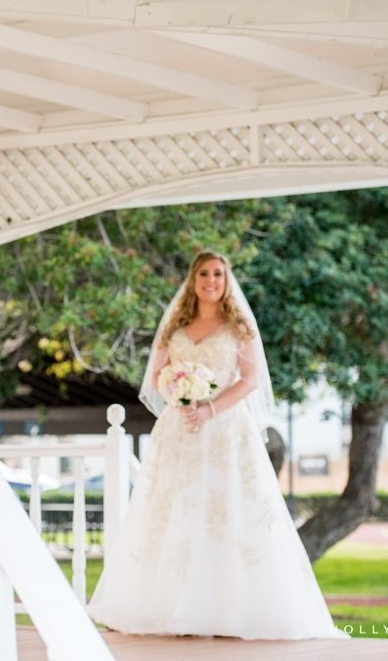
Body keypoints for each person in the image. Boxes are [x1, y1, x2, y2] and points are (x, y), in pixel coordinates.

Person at [86, 251, 345, 640]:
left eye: (218, 274)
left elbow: (252, 379)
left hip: (226, 433)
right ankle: (167, 608)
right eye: (204, 274)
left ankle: (229, 610)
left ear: (226, 281)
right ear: (193, 280)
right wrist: (177, 389)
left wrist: (209, 407)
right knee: (173, 513)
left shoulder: (238, 326)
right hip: (180, 430)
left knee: (229, 512)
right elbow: (155, 376)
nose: (211, 280)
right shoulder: (175, 326)